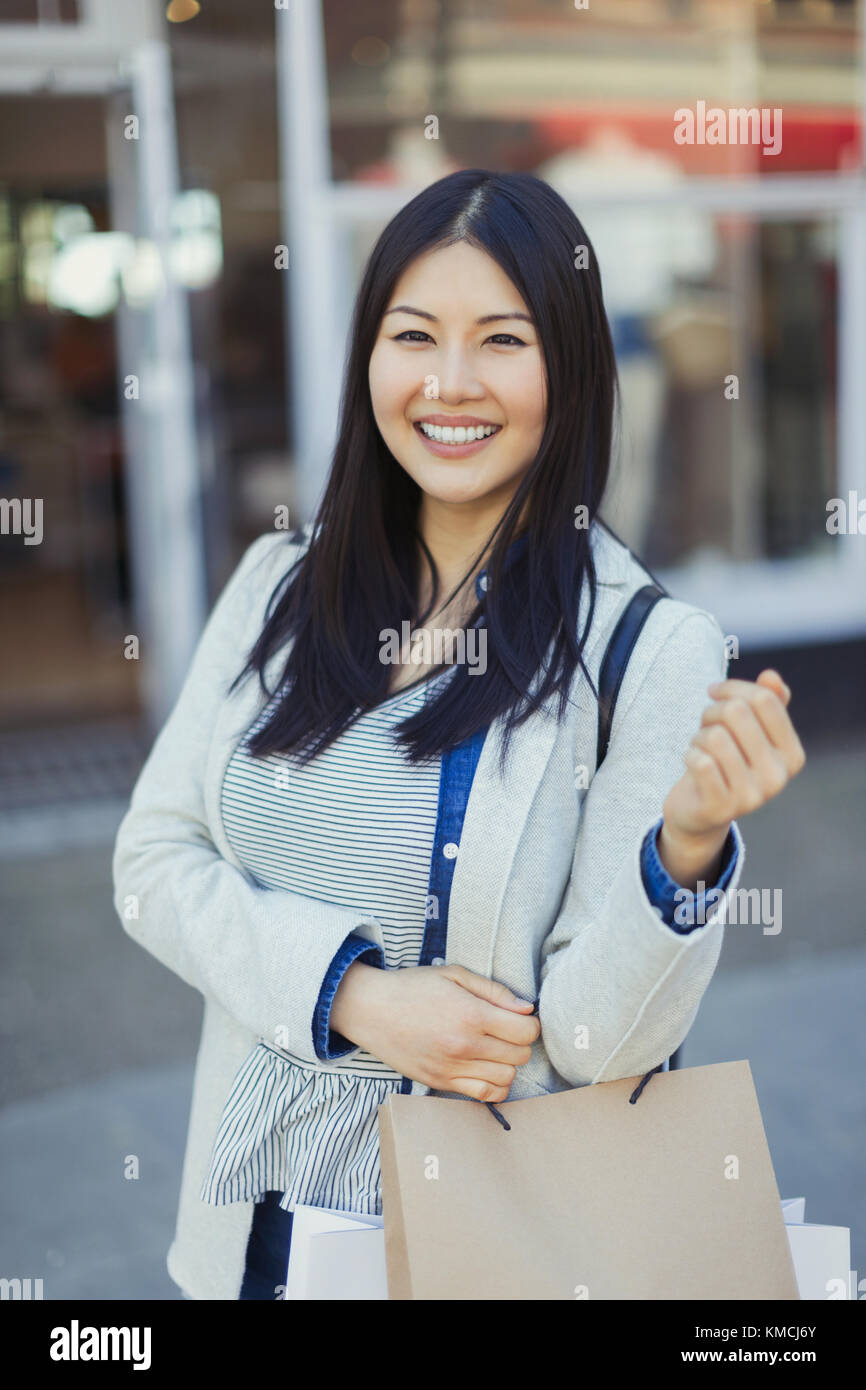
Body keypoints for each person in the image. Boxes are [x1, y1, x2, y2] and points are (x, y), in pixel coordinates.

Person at [112, 169, 806, 1302]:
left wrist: (682, 850)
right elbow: (151, 865)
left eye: (499, 340)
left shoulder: (646, 649)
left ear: (568, 367)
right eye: (413, 335)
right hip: (254, 1238)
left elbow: (595, 1044)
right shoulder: (276, 588)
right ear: (367, 357)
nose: (448, 383)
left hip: (488, 1249)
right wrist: (358, 996)